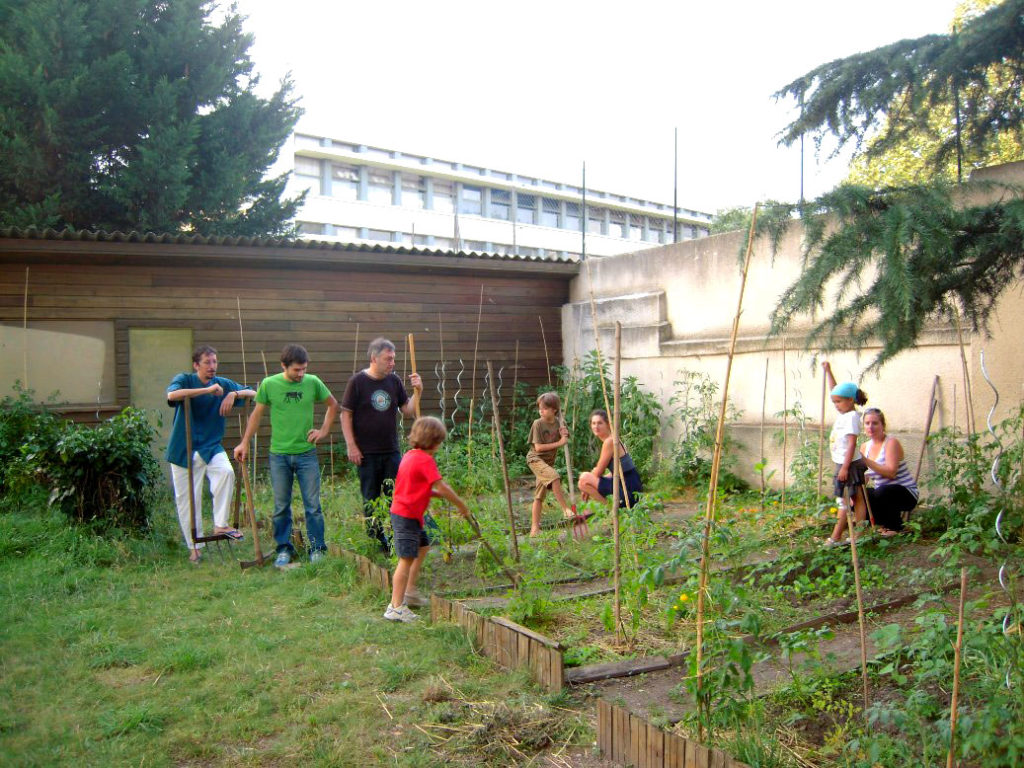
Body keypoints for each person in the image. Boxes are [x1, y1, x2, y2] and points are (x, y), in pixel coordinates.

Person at [233, 344, 338, 567]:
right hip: (279, 455)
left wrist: (323, 430)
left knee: (313, 506)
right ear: (284, 366)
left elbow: (333, 405)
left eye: (304, 369)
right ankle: (284, 549)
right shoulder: (270, 385)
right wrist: (244, 443)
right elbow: (256, 415)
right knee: (281, 506)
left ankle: (317, 548)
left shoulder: (313, 382)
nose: (301, 374)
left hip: (306, 454)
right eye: (296, 370)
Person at [166, 345, 255, 563]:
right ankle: (194, 548)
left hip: (211, 446)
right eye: (207, 362)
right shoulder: (185, 379)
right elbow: (172, 395)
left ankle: (220, 524)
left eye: (215, 362)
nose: (212, 366)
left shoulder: (223, 384)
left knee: (226, 473)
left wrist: (232, 394)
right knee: (188, 499)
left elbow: (253, 392)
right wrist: (206, 391)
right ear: (196, 365)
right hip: (184, 449)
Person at [341, 337, 421, 553]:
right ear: (374, 358)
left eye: (393, 359)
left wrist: (417, 392)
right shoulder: (357, 382)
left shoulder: (394, 382)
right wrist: (351, 446)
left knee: (396, 496)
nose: (392, 363)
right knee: (371, 498)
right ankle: (377, 542)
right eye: (388, 359)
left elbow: (408, 411)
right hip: (366, 454)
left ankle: (399, 537)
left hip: (391, 451)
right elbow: (345, 415)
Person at [385, 417, 469, 622]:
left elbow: (413, 485)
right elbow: (442, 486)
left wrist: (432, 494)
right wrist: (461, 506)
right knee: (405, 560)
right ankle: (395, 607)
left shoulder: (410, 455)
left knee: (422, 546)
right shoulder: (425, 460)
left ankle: (410, 591)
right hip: (406, 516)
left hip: (407, 513)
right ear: (434, 442)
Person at [822, 361, 869, 547]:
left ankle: (836, 537)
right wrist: (828, 371)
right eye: (834, 401)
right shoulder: (845, 412)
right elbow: (835, 390)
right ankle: (859, 534)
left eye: (838, 402)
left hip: (848, 465)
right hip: (846, 464)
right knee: (856, 498)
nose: (835, 405)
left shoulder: (851, 418)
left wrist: (845, 468)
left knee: (844, 499)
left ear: (850, 400)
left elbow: (852, 444)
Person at [861, 407, 919, 535]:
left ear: (883, 425)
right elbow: (864, 476)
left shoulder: (891, 443)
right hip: (883, 494)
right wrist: (855, 493)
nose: (870, 427)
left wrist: (866, 460)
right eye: (867, 423)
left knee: (882, 491)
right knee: (859, 495)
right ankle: (881, 524)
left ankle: (894, 527)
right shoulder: (865, 447)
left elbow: (891, 472)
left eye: (875, 423)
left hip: (905, 493)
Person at [525, 392, 573, 536]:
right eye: (540, 408)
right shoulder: (538, 423)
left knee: (539, 496)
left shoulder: (559, 422)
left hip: (548, 462)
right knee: (555, 477)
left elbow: (564, 438)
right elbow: (538, 447)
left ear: (554, 410)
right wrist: (560, 442)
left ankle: (534, 529)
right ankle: (566, 510)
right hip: (536, 459)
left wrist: (565, 434)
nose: (541, 411)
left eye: (545, 408)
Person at [577, 409, 643, 507]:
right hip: (633, 490)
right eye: (593, 423)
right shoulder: (614, 439)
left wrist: (587, 483)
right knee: (585, 480)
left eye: (600, 423)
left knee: (583, 479)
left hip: (628, 492)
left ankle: (610, 509)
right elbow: (617, 472)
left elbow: (598, 471)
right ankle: (612, 508)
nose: (596, 426)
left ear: (608, 424)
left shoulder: (610, 442)